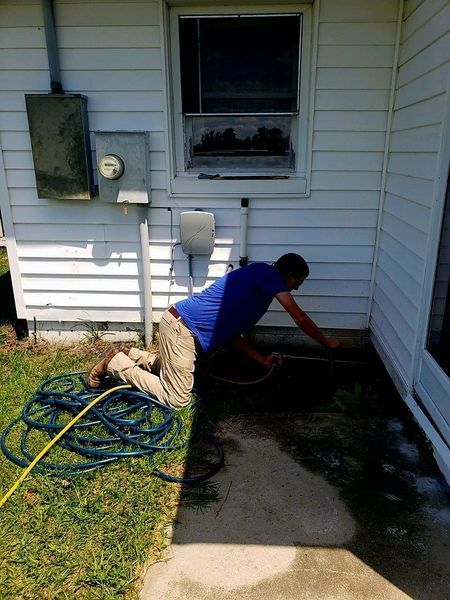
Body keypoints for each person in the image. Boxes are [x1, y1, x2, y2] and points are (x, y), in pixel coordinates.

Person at [87, 253, 339, 408]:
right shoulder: (268, 273)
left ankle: (132, 354)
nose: (298, 287)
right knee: (177, 398)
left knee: (171, 370)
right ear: (289, 274)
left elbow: (231, 336)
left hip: (180, 326)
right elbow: (300, 318)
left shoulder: (259, 294)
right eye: (299, 281)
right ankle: (117, 363)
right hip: (181, 328)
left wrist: (262, 360)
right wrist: (325, 342)